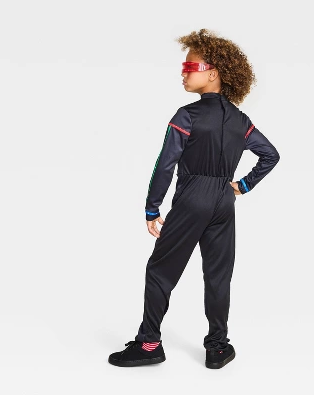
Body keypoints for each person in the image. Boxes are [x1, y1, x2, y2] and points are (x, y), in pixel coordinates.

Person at [108, 28, 280, 369]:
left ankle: (149, 345)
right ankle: (218, 347)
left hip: (192, 199)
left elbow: (165, 165)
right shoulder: (241, 121)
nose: (183, 74)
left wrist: (152, 208)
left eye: (190, 67)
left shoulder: (186, 116)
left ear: (212, 73)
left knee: (160, 271)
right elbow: (270, 154)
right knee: (218, 276)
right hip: (224, 202)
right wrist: (242, 186)